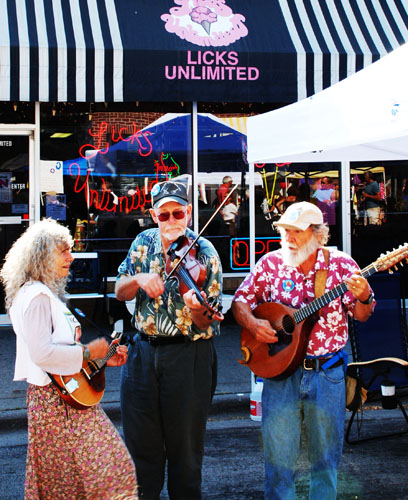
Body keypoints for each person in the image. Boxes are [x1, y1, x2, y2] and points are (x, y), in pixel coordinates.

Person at [231, 202, 375, 500]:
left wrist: (364, 296)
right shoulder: (270, 264)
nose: (289, 238)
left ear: (318, 235)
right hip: (280, 372)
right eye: (286, 231)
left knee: (325, 458)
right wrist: (254, 324)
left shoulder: (341, 266)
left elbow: (362, 315)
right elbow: (240, 301)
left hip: (326, 372)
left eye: (297, 231)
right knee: (278, 457)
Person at [0, 219, 138, 500]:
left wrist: (103, 360)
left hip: (60, 398)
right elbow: (43, 354)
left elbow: (59, 355)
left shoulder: (39, 293)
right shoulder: (37, 297)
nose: (71, 257)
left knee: (69, 480)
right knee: (107, 471)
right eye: (63, 251)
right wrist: (89, 353)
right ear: (42, 256)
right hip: (56, 404)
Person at [115, 180, 223, 500]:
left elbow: (207, 321)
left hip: (188, 355)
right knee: (140, 446)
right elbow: (119, 290)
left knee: (185, 451)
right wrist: (138, 278)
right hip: (142, 354)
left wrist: (197, 309)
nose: (172, 220)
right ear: (153, 215)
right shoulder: (142, 242)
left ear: (189, 212)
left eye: (178, 213)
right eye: (164, 215)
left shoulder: (205, 253)